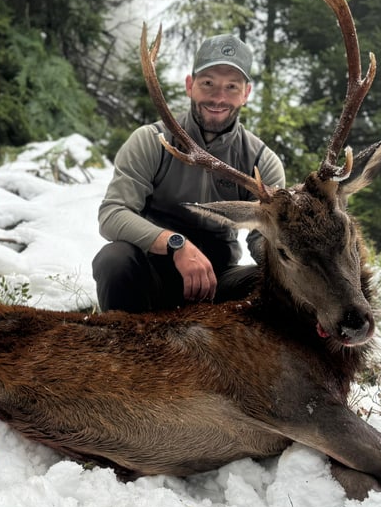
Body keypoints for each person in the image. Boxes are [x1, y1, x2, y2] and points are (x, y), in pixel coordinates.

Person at [92, 32, 286, 313]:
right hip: (150, 275)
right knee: (114, 259)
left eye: (231, 86)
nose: (219, 97)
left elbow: (262, 238)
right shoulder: (151, 140)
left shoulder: (261, 162)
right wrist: (176, 245)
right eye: (208, 83)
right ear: (189, 85)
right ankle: (122, 345)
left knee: (272, 282)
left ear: (246, 93)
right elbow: (112, 215)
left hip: (219, 284)